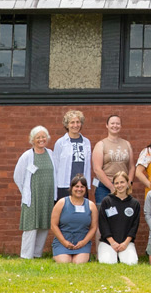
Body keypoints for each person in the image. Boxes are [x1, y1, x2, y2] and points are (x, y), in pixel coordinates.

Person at [15, 126, 59, 259]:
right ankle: (26, 256)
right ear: (32, 140)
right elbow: (18, 176)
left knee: (44, 225)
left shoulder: (51, 154)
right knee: (31, 227)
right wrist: (26, 192)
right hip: (32, 198)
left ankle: (37, 254)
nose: (41, 139)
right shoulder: (27, 156)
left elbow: (56, 173)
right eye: (38, 137)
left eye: (43, 137)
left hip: (47, 197)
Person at [50, 174, 98, 264]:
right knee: (65, 263)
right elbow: (53, 225)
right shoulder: (61, 203)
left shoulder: (91, 205)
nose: (79, 189)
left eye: (82, 187)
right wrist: (64, 242)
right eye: (76, 186)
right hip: (63, 241)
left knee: (78, 263)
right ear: (71, 188)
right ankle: (58, 253)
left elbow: (93, 227)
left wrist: (84, 242)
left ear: (85, 189)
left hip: (82, 242)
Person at [96, 170, 141, 264]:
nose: (119, 185)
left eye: (122, 182)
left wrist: (125, 243)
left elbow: (134, 226)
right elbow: (103, 225)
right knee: (107, 263)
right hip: (108, 242)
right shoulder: (107, 201)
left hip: (126, 243)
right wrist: (112, 242)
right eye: (116, 183)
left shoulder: (134, 203)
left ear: (127, 183)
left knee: (131, 263)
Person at [91, 115, 133, 205]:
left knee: (122, 215)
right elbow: (97, 169)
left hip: (122, 187)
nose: (115, 125)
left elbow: (132, 167)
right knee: (104, 215)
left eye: (118, 123)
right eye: (112, 123)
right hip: (104, 188)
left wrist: (128, 184)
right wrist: (112, 187)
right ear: (107, 125)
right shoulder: (101, 144)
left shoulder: (127, 144)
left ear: (121, 126)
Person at [53, 110, 91, 201]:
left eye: (78, 122)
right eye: (72, 122)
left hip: (81, 186)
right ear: (67, 125)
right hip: (64, 185)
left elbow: (88, 166)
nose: (75, 125)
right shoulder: (60, 143)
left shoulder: (86, 142)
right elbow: (55, 166)